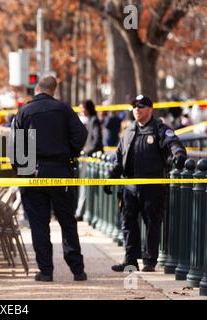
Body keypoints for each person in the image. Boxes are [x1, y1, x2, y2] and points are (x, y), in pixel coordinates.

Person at [14, 75, 88, 282]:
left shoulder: (24, 111)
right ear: (54, 90)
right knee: (67, 221)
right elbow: (81, 135)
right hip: (61, 170)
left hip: (34, 173)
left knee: (39, 224)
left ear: (37, 88)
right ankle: (77, 269)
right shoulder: (64, 109)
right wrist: (70, 153)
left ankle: (46, 271)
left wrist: (22, 171)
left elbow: (16, 149)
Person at [105, 95, 187, 272]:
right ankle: (130, 260)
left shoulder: (160, 130)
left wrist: (178, 155)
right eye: (134, 106)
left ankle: (150, 261)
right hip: (130, 187)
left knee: (152, 223)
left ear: (150, 109)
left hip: (153, 187)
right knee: (128, 224)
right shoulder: (128, 132)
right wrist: (109, 177)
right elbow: (119, 159)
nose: (137, 109)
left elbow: (174, 144)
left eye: (141, 106)